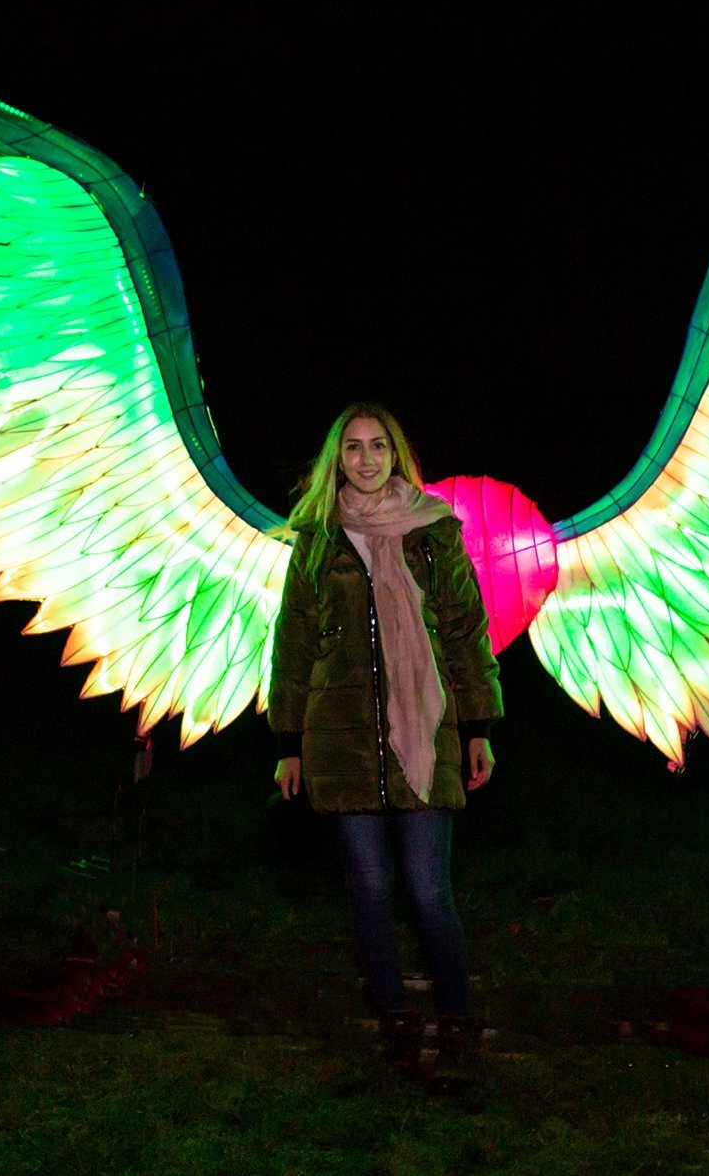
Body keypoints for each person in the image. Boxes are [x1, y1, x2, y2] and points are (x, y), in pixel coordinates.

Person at [268, 403, 502, 1089]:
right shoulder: (317, 542)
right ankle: (397, 1030)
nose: (366, 459)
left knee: (428, 891)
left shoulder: (435, 533)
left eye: (377, 447)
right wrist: (288, 743)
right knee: (369, 891)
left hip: (427, 733)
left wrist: (479, 728)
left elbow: (465, 631)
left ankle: (457, 1031)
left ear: (396, 455)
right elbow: (293, 645)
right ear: (336, 460)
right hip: (339, 740)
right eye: (353, 448)